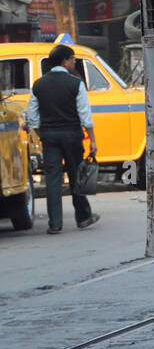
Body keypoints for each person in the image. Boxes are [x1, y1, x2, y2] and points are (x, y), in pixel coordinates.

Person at [27, 44, 100, 234]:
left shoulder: (38, 84)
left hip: (49, 136)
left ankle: (55, 223)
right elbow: (85, 116)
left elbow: (32, 117)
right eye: (73, 59)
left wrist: (43, 134)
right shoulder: (76, 83)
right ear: (65, 60)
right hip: (72, 135)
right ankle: (83, 217)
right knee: (77, 175)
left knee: (52, 179)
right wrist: (92, 140)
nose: (74, 62)